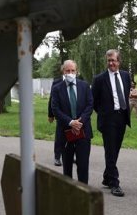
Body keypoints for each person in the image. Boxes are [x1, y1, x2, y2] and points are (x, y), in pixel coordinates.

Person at [92, 49, 131, 197]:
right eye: (109, 60)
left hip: (122, 117)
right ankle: (115, 183)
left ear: (119, 61)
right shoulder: (99, 79)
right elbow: (93, 101)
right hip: (108, 119)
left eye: (114, 60)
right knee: (110, 150)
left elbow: (126, 93)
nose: (111, 63)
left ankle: (107, 177)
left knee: (115, 149)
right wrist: (103, 113)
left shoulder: (126, 76)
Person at [50, 60, 93, 183]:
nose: (70, 73)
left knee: (83, 166)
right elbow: (55, 108)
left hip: (83, 132)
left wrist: (79, 122)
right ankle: (68, 196)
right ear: (63, 72)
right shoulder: (57, 88)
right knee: (67, 167)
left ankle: (84, 193)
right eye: (67, 71)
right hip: (65, 132)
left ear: (77, 71)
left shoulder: (85, 86)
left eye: (72, 71)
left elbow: (90, 105)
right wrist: (70, 122)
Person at [48, 76, 66, 166]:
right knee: (60, 137)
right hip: (60, 114)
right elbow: (51, 99)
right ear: (63, 71)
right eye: (67, 70)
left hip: (73, 114)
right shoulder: (56, 83)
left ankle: (71, 155)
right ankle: (57, 157)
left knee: (73, 136)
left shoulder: (78, 81)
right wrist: (50, 114)